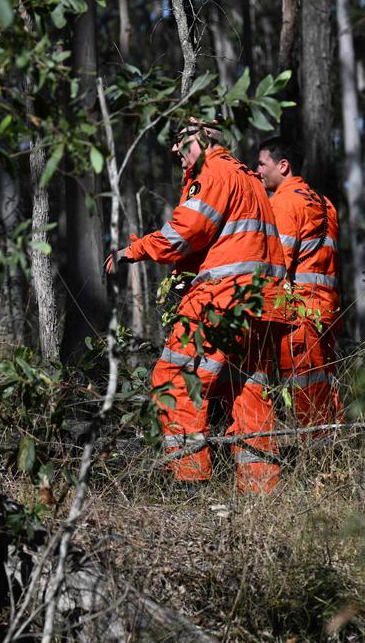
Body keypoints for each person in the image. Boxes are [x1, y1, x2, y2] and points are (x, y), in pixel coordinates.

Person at [107, 120, 288, 493]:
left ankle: (189, 484)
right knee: (249, 392)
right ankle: (262, 492)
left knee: (175, 380)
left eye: (180, 141)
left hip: (222, 299)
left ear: (204, 141)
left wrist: (131, 250)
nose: (175, 150)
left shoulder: (213, 172)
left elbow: (185, 233)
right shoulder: (249, 179)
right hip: (263, 303)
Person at [255, 137, 341, 428]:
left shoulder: (283, 202)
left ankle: (317, 459)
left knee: (306, 390)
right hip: (327, 309)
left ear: (283, 166)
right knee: (326, 384)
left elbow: (277, 262)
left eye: (262, 164)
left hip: (300, 313)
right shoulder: (325, 203)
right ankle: (336, 451)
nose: (257, 171)